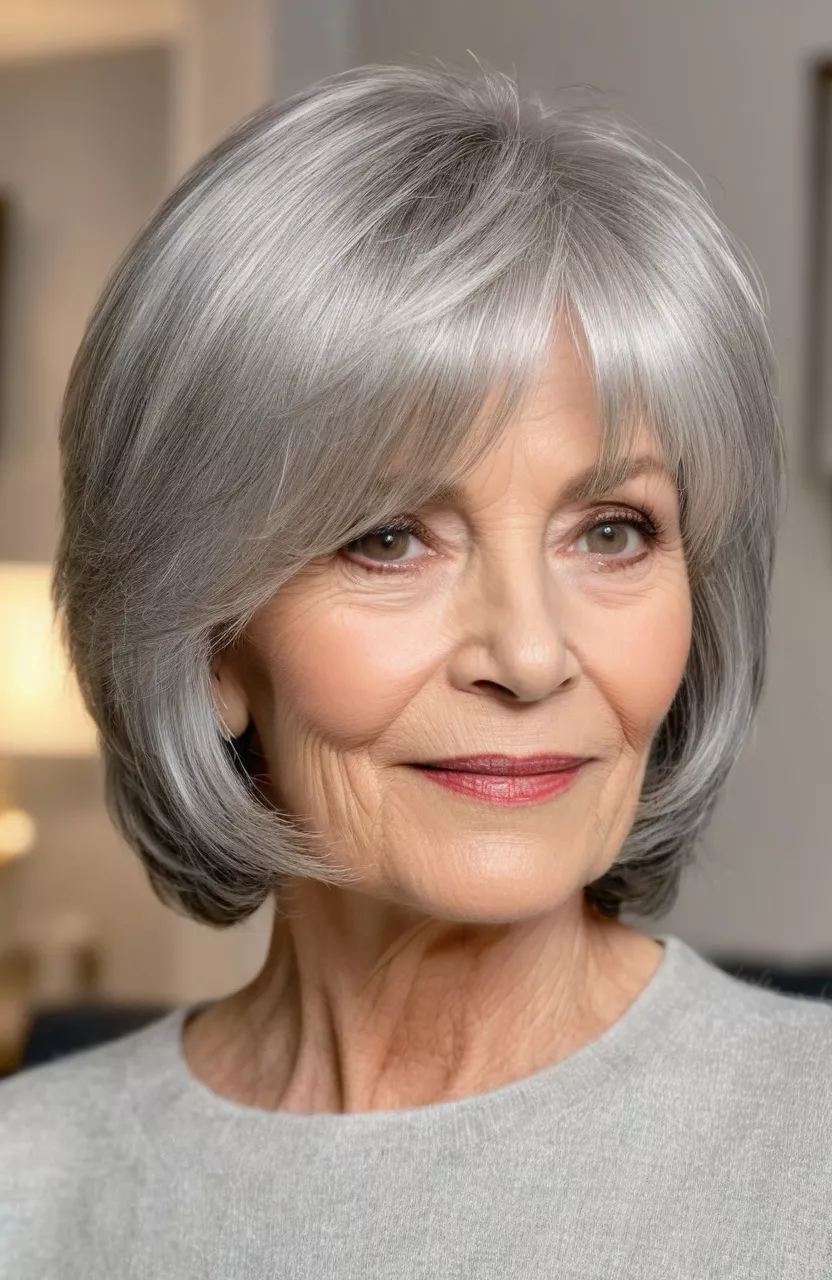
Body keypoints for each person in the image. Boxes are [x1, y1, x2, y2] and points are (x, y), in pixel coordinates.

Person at [1, 61, 829, 1279]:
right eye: (388, 536)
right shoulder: (30, 1186)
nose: (532, 654)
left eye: (611, 529)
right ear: (208, 634)